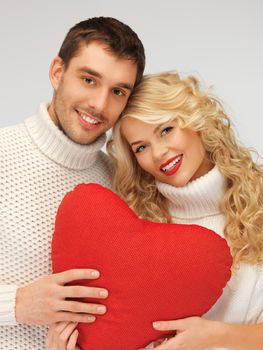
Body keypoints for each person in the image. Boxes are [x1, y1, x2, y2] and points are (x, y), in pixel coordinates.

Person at [46, 73, 263, 350]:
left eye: (166, 130)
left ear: (196, 122)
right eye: (141, 147)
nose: (159, 153)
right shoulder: (133, 228)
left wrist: (214, 336)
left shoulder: (257, 209)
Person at [0, 16, 145, 350]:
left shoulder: (119, 182)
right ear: (57, 72)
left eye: (118, 91)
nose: (99, 105)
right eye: (89, 80)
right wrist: (17, 304)